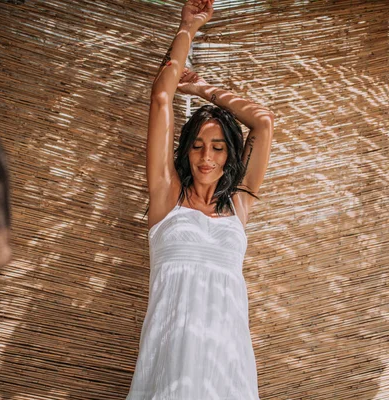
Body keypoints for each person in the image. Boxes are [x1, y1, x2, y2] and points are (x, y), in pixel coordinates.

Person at [126, 0, 274, 398]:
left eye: (219, 147)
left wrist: (202, 90)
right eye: (197, 146)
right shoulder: (167, 197)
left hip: (227, 365)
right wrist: (187, 27)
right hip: (172, 361)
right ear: (185, 152)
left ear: (230, 155)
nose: (207, 158)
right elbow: (160, 99)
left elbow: (263, 122)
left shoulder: (238, 204)